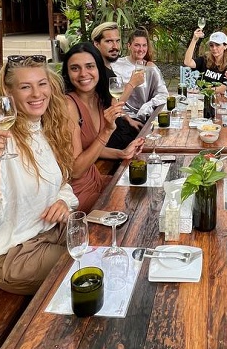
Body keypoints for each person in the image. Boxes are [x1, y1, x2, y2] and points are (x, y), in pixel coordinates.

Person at [0, 55, 78, 296]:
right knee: (89, 268)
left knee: (108, 241)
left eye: (42, 84)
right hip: (16, 255)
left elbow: (62, 183)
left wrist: (62, 201)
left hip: (52, 233)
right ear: (8, 93)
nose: (37, 94)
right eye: (26, 87)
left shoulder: (45, 129)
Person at [62, 42, 144, 209]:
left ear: (99, 68)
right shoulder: (68, 105)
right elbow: (75, 170)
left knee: (144, 193)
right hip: (77, 194)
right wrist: (106, 131)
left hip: (96, 181)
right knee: (135, 207)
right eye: (75, 68)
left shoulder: (99, 99)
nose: (83, 73)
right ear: (67, 73)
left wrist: (121, 153)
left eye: (89, 66)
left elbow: (89, 148)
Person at [91, 21, 144, 149]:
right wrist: (132, 83)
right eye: (109, 41)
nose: (115, 46)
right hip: (110, 136)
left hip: (121, 125)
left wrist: (128, 119)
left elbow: (112, 102)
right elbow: (114, 105)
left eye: (117, 41)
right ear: (97, 44)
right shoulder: (96, 72)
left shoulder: (108, 68)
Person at [110, 27, 168, 123]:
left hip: (144, 116)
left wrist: (145, 108)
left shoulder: (150, 68)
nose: (141, 49)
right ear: (129, 46)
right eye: (137, 45)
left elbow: (163, 94)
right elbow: (112, 98)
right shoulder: (116, 65)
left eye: (144, 45)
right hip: (120, 117)